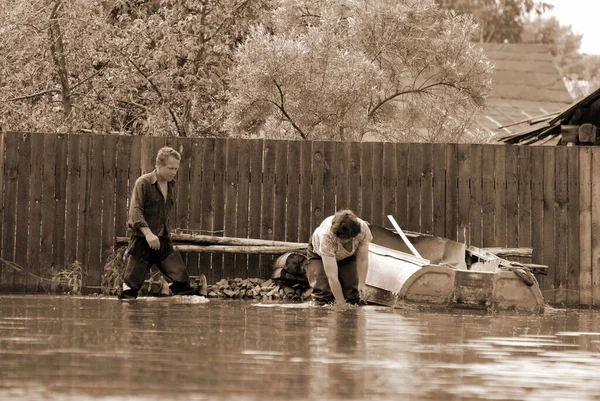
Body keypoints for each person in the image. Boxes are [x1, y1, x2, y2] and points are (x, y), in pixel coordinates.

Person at [118, 146, 194, 299]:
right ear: (159, 165)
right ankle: (127, 322)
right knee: (129, 291)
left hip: (162, 241)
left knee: (182, 284)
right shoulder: (143, 183)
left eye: (176, 169)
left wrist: (162, 235)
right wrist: (148, 233)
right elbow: (135, 211)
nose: (174, 172)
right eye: (171, 168)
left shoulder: (170, 185)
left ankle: (181, 321)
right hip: (142, 241)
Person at [306, 209, 372, 305]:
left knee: (351, 294)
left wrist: (362, 284)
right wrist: (341, 305)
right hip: (319, 254)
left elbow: (362, 259)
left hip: (348, 256)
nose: (341, 241)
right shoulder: (326, 236)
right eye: (339, 238)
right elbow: (332, 276)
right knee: (323, 293)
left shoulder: (363, 230)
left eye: (344, 239)